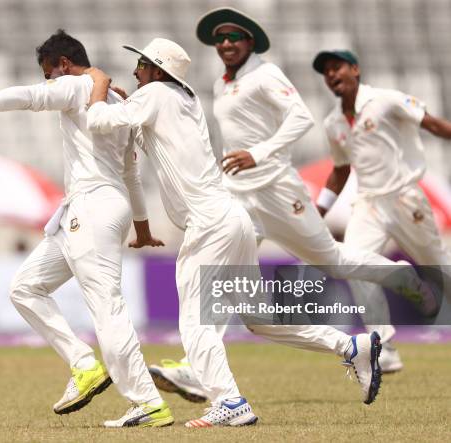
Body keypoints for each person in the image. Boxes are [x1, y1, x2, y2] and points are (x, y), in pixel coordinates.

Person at [86, 37, 382, 427]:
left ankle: (229, 401)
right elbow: (144, 131)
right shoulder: (179, 97)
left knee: (195, 321)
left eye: (141, 65)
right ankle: (349, 344)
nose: (136, 71)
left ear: (157, 70)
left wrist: (98, 83)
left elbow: (96, 121)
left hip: (209, 225)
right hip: (231, 219)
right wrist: (128, 102)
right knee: (259, 318)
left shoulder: (156, 92)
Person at [148, 7, 439, 403]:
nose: (227, 44)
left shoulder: (265, 73)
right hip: (238, 197)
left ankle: (400, 277)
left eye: (234, 37)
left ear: (250, 42)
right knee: (223, 279)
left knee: (331, 261)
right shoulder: (220, 84)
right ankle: (199, 371)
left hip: (276, 189)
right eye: (220, 39)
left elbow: (300, 117)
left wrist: (260, 153)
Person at [0, 29, 173, 428]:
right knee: (26, 287)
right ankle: (84, 364)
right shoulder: (118, 99)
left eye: (49, 72)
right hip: (97, 209)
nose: (49, 81)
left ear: (63, 64)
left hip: (92, 208)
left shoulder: (76, 84)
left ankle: (147, 401)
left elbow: (32, 97)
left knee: (106, 307)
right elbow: (132, 175)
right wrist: (141, 228)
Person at [312, 49, 451, 372]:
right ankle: (384, 345)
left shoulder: (385, 100)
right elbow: (341, 170)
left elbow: (430, 123)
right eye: (327, 72)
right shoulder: (333, 122)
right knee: (354, 263)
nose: (332, 75)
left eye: (337, 68)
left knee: (439, 268)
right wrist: (319, 210)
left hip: (405, 197)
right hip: (369, 203)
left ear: (355, 69)